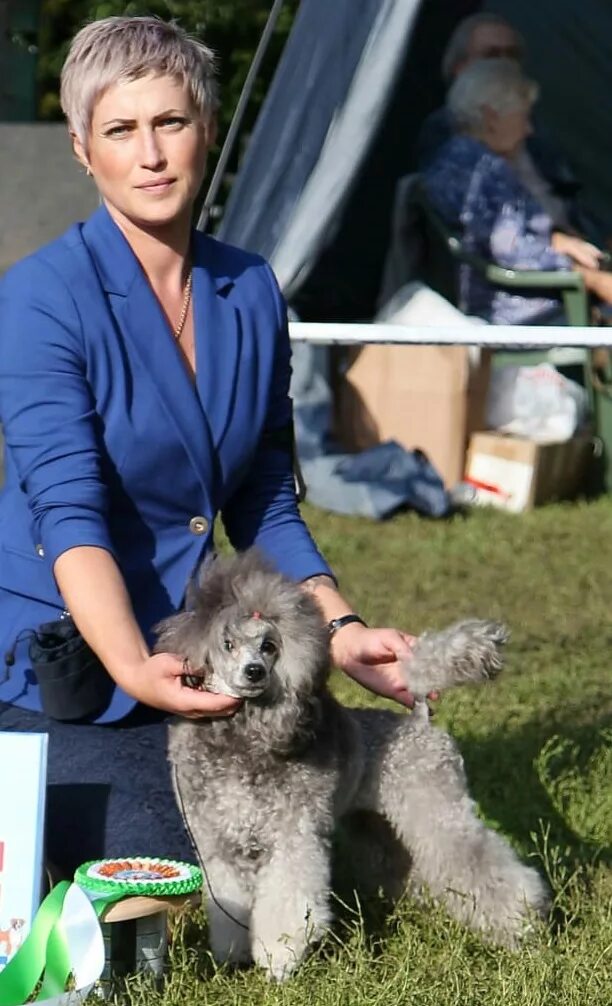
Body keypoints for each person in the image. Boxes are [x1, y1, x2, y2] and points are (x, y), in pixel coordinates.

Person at [0, 16, 419, 876]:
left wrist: (341, 631)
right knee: (172, 866)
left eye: (171, 122)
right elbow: (68, 516)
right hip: (71, 660)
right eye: (121, 130)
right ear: (84, 149)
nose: (150, 154)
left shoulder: (252, 287)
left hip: (199, 645)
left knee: (279, 839)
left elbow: (264, 494)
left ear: (208, 129)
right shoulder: (40, 297)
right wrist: (134, 669)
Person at [422, 59, 612, 325]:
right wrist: (591, 278)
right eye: (523, 116)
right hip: (519, 306)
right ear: (490, 117)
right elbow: (510, 250)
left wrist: (556, 240)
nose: (528, 129)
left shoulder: (457, 157)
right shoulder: (480, 170)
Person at [417, 12, 587, 239]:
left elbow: (567, 191)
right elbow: (488, 226)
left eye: (512, 55)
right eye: (492, 55)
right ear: (459, 68)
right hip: (530, 256)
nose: (504, 63)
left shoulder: (533, 126)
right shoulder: (449, 133)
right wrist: (554, 243)